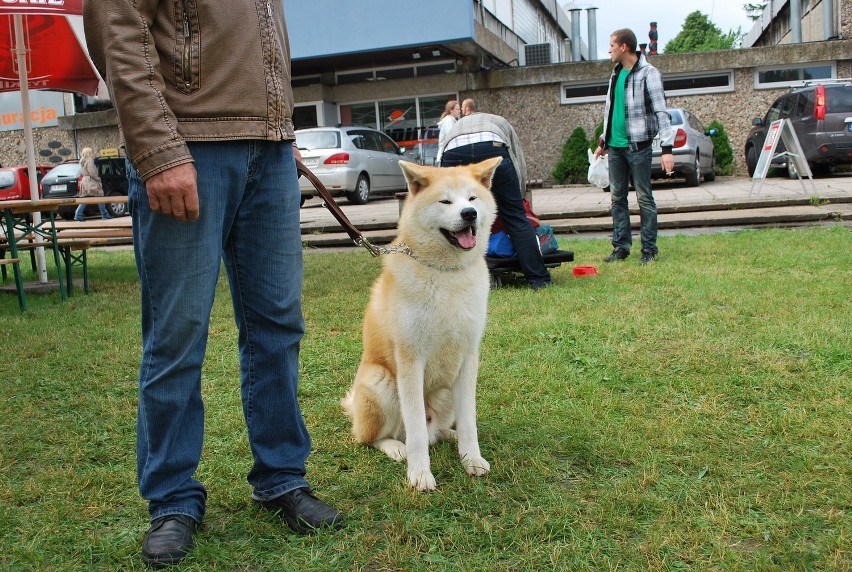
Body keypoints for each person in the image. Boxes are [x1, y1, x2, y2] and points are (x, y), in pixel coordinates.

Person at [83, 2, 343, 568]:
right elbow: (119, 27)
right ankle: (172, 498)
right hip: (188, 146)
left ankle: (281, 477)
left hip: (269, 149)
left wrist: (280, 127)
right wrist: (156, 151)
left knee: (277, 324)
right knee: (178, 334)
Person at [440, 109, 552, 290]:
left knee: (454, 219)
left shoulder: (457, 125)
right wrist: (519, 196)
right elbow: (517, 160)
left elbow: (442, 154)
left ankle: (452, 280)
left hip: (454, 152)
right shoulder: (501, 121)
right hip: (493, 147)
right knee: (516, 217)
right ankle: (539, 279)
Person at [593, 28, 674, 265]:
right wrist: (603, 142)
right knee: (617, 198)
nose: (609, 50)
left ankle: (649, 249)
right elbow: (612, 113)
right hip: (616, 148)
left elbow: (661, 112)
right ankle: (621, 248)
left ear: (624, 47)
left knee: (644, 198)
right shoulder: (615, 75)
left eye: (612, 45)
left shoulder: (649, 74)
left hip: (639, 147)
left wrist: (667, 150)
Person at [74, 147, 112, 222]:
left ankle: (78, 214)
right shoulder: (90, 161)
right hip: (91, 181)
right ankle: (105, 214)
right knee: (100, 196)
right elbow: (92, 172)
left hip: (85, 181)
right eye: (91, 152)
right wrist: (98, 179)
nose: (93, 153)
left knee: (86, 198)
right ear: (89, 153)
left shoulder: (82, 162)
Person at [435, 100, 461, 165]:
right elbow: (452, 138)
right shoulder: (449, 122)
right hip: (446, 155)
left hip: (446, 155)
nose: (459, 111)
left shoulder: (450, 121)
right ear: (451, 110)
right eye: (457, 109)